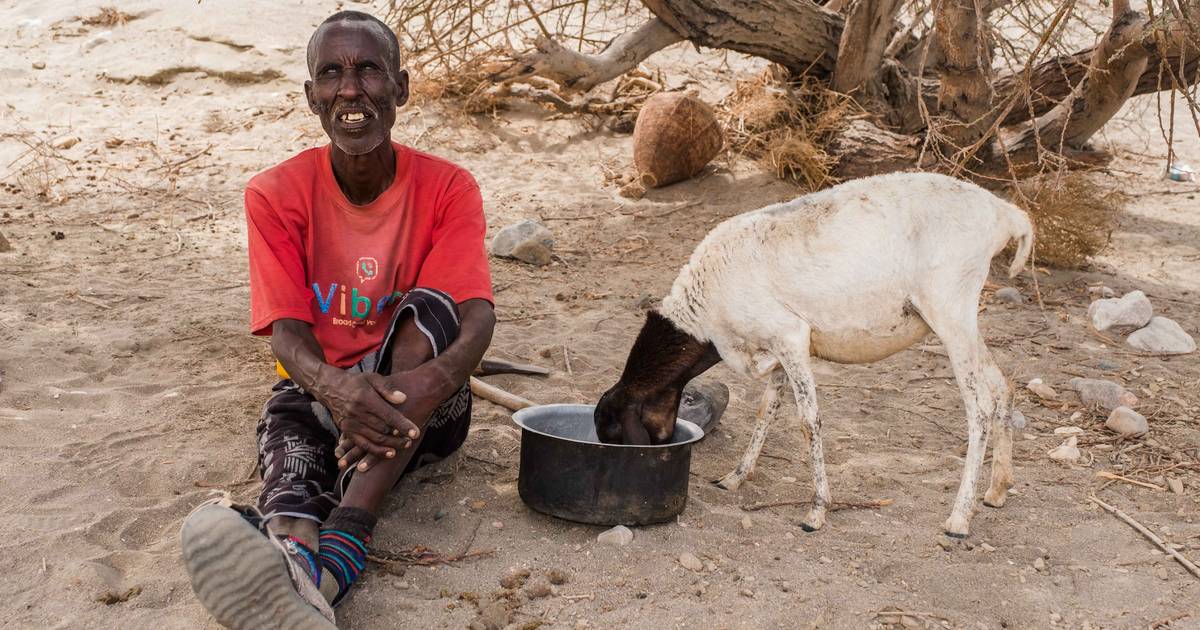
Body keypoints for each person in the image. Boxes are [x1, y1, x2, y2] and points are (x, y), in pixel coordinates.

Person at [180, 10, 495, 628]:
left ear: (399, 88)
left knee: (430, 307)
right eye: (331, 73)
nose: (350, 89)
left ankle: (347, 531)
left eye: (369, 71)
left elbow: (475, 315)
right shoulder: (274, 193)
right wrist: (338, 389)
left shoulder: (449, 187)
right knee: (291, 450)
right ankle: (308, 578)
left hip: (430, 411)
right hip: (321, 392)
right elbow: (288, 335)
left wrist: (426, 386)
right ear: (312, 97)